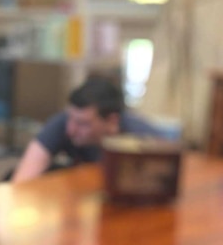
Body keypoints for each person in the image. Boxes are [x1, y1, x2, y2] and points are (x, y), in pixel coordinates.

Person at [11, 75, 165, 182]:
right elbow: (23, 178)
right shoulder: (64, 123)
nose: (71, 130)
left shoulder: (145, 139)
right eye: (70, 118)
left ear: (112, 121)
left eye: (82, 123)